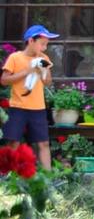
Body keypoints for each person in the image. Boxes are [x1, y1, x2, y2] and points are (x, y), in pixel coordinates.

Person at [1, 24, 59, 169]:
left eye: (46, 45)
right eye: (42, 44)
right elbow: (4, 80)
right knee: (13, 142)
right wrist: (28, 71)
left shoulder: (44, 57)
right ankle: (8, 176)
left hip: (38, 108)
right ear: (31, 41)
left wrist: (43, 71)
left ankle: (49, 178)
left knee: (43, 143)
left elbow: (48, 83)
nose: (44, 48)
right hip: (17, 107)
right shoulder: (15, 57)